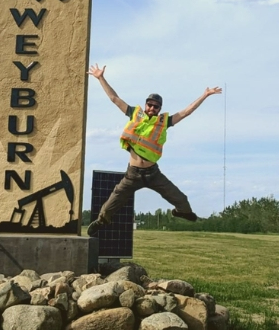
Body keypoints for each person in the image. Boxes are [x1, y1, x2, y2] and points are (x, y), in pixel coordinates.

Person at [86, 64, 222, 237]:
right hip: (132, 174)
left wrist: (205, 95)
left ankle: (181, 212)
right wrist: (100, 78)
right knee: (113, 201)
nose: (152, 108)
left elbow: (187, 112)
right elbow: (114, 98)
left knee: (182, 200)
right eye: (149, 105)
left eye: (156, 107)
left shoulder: (164, 122)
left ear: (159, 109)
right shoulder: (135, 114)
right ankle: (101, 221)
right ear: (145, 105)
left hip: (153, 174)